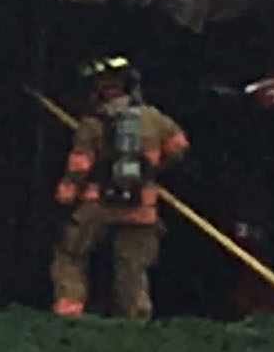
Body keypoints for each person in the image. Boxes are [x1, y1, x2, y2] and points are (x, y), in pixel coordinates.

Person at [51, 55, 186, 318]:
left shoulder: (92, 124)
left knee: (70, 254)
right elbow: (179, 148)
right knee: (133, 266)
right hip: (141, 205)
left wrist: (64, 196)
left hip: (97, 204)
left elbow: (79, 165)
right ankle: (136, 316)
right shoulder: (155, 118)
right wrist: (152, 170)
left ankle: (69, 311)